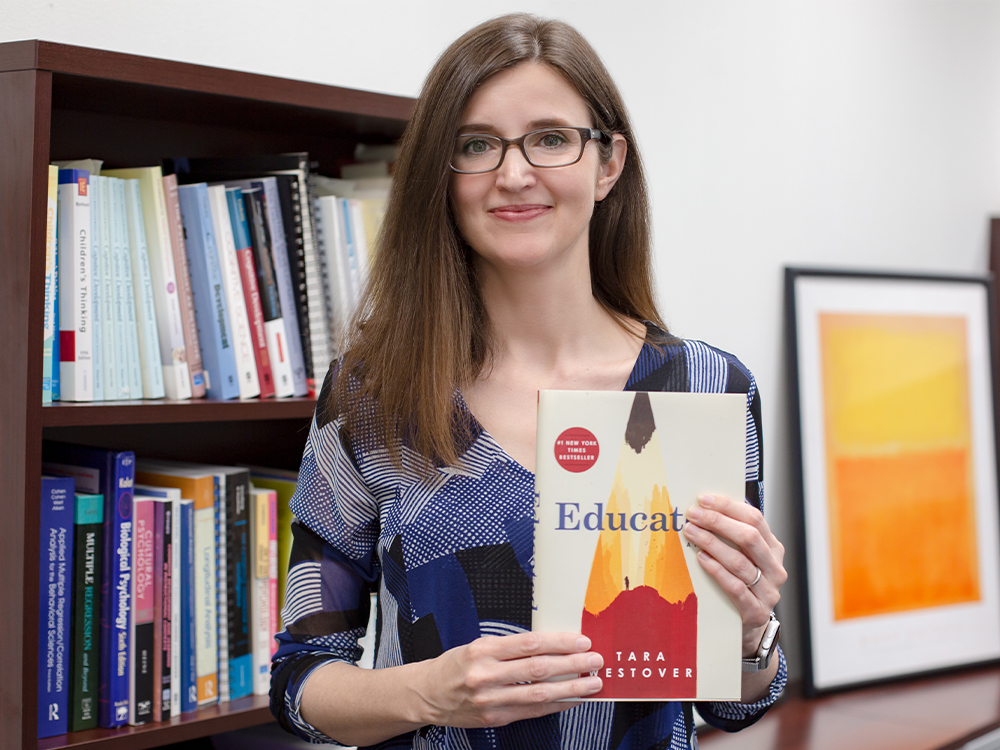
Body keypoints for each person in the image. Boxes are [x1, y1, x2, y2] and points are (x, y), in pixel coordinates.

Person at [270, 13, 787, 749]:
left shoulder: (706, 388)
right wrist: (429, 692)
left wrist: (748, 629)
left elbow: (732, 706)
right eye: (475, 145)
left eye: (550, 138)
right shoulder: (371, 394)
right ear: (440, 178)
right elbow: (300, 682)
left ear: (607, 165)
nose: (514, 174)